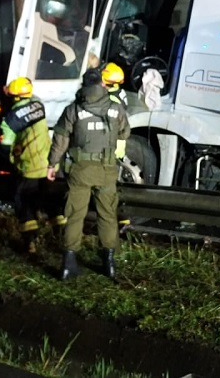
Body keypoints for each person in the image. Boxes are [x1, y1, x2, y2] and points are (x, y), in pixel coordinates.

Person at [46, 70, 130, 280]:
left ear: (83, 85)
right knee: (107, 215)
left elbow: (60, 139)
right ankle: (109, 262)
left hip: (79, 170)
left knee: (75, 215)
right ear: (102, 84)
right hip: (106, 170)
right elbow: (124, 132)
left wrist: (52, 164)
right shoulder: (115, 107)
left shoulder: (73, 109)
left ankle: (69, 263)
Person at [0, 77, 61, 254]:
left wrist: (10, 159)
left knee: (24, 201)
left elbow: (5, 146)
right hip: (49, 165)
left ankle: (30, 243)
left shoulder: (10, 120)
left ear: (15, 97)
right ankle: (60, 237)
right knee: (52, 200)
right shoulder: (38, 104)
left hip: (30, 167)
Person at [100, 62, 132, 232]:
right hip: (118, 147)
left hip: (110, 147)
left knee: (107, 187)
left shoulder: (109, 100)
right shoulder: (120, 94)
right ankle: (121, 219)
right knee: (111, 185)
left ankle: (120, 220)